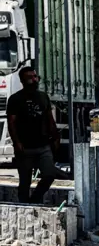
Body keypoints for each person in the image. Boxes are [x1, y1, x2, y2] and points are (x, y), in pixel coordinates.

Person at [6, 67, 65, 204]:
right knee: (25, 181)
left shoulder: (43, 97)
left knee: (49, 174)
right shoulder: (15, 99)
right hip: (25, 147)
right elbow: (11, 123)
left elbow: (49, 118)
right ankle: (24, 206)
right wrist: (17, 142)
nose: (34, 80)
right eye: (30, 78)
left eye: (35, 77)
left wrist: (55, 137)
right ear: (22, 81)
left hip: (43, 145)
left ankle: (35, 199)